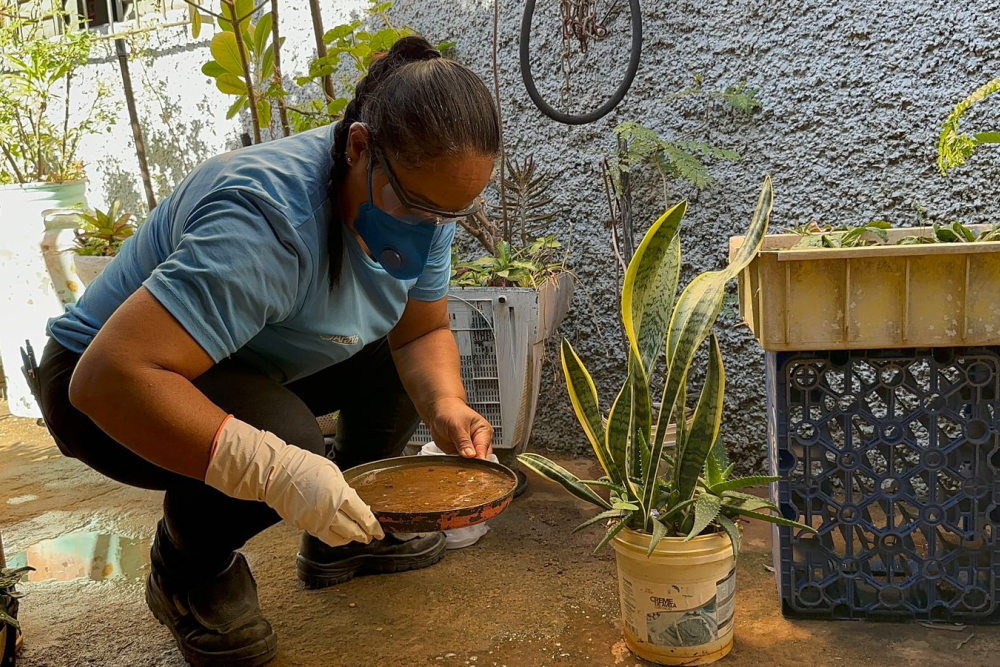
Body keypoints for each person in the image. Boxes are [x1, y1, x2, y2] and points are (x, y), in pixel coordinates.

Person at [36, 36, 500, 666]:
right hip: (104, 386)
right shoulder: (265, 219)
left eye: (449, 215)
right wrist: (279, 472)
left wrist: (446, 405)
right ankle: (188, 570)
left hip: (237, 359)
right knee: (288, 444)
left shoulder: (419, 196)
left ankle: (347, 533)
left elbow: (418, 331)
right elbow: (108, 378)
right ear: (359, 146)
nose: (431, 228)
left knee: (374, 364)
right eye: (418, 208)